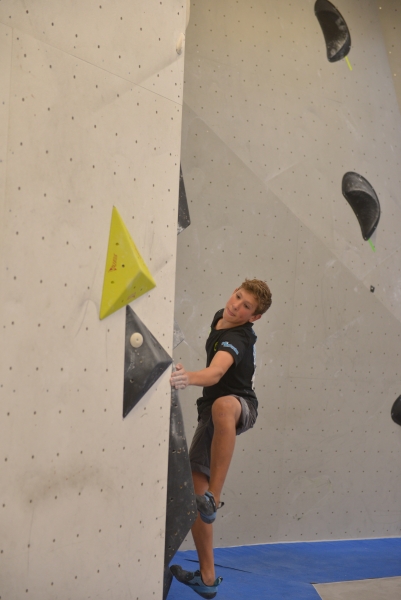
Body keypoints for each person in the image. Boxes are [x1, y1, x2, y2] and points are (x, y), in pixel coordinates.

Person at [169, 278, 272, 598]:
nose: (236, 306)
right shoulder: (221, 316)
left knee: (223, 405)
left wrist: (185, 377)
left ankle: (215, 495)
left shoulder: (238, 337)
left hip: (240, 407)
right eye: (237, 296)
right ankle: (207, 578)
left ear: (254, 317)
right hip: (210, 415)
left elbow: (215, 373)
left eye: (246, 306)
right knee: (194, 491)